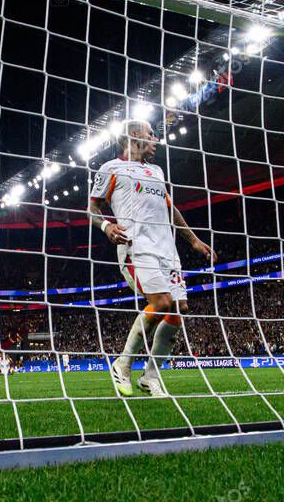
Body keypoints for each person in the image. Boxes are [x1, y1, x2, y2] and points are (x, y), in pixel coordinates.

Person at [88, 119, 216, 397]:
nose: (156, 140)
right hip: (136, 246)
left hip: (167, 250)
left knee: (179, 308)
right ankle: (122, 364)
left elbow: (171, 210)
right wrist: (106, 226)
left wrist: (193, 240)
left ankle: (150, 376)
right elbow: (93, 207)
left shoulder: (156, 171)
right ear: (134, 136)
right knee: (161, 303)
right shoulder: (110, 168)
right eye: (151, 134)